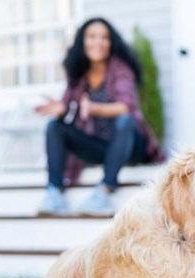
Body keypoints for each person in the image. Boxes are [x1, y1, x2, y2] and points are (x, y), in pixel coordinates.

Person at [35, 17, 163, 216]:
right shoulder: (78, 72)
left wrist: (94, 108)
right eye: (92, 37)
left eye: (104, 38)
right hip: (101, 147)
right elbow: (67, 105)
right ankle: (54, 192)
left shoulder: (121, 68)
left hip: (130, 145)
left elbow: (126, 107)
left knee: (125, 121)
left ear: (111, 43)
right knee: (55, 127)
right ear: (82, 41)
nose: (98, 42)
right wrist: (60, 109)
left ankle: (104, 191)